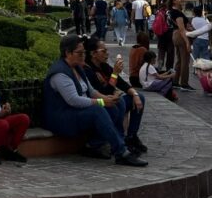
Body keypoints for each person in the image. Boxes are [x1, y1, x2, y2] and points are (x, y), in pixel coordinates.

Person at [41, 35, 147, 167]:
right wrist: (102, 102)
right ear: (68, 53)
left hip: (77, 112)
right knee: (97, 110)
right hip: (62, 117)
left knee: (116, 104)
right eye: (79, 53)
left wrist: (106, 99)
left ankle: (110, 143)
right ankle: (121, 152)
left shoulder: (78, 67)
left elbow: (91, 91)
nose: (83, 56)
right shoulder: (60, 73)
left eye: (84, 52)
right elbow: (74, 100)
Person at [82, 37, 148, 154]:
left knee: (139, 98)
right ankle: (119, 141)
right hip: (101, 103)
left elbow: (123, 84)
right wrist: (114, 74)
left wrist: (135, 94)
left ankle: (131, 137)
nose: (107, 54)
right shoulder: (88, 70)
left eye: (107, 50)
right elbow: (104, 93)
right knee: (119, 102)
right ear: (93, 54)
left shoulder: (104, 66)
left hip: (111, 100)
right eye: (103, 51)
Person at [168, 0, 194, 91]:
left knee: (179, 60)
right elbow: (182, 29)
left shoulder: (172, 12)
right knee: (185, 61)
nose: (181, 0)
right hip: (180, 35)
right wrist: (187, 42)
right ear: (174, 1)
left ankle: (175, 81)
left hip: (175, 35)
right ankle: (184, 83)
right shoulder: (177, 13)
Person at [153, 0, 174, 70]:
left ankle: (160, 65)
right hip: (170, 33)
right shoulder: (171, 12)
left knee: (161, 51)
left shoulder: (159, 12)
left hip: (161, 34)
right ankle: (169, 67)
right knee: (170, 52)